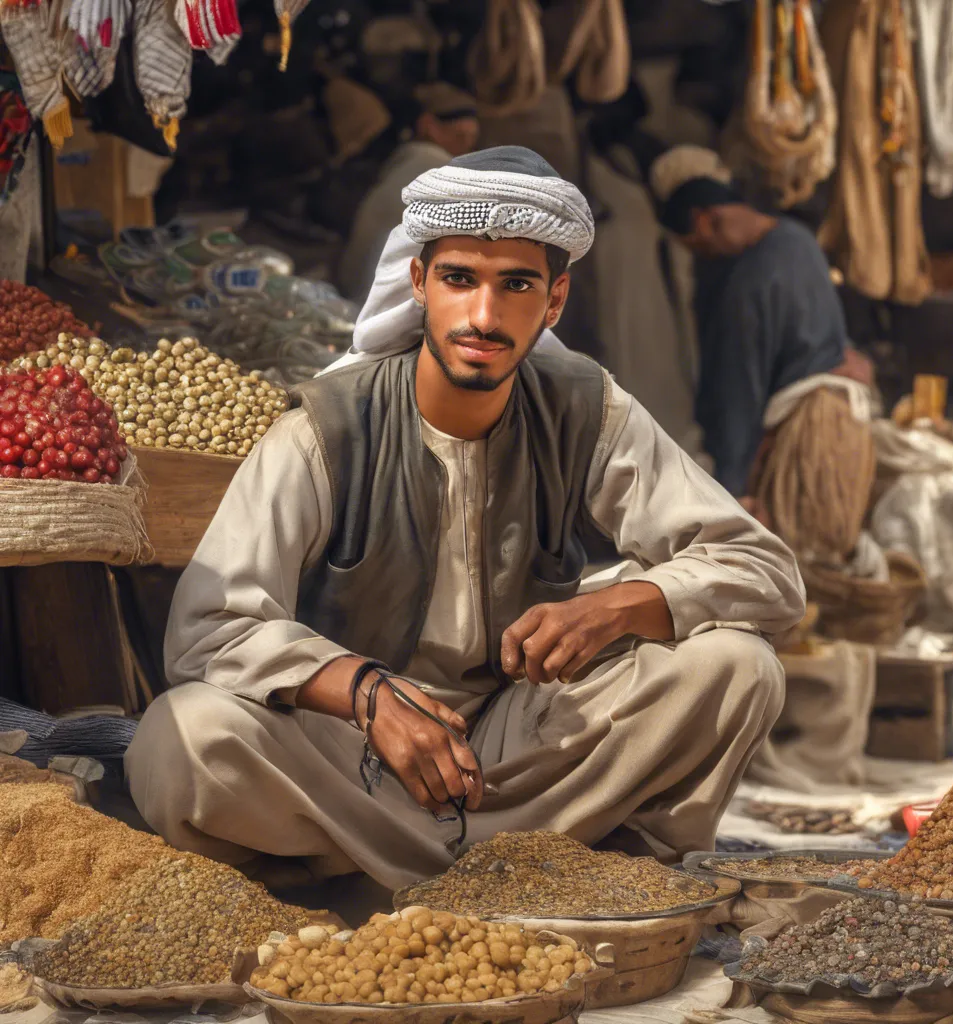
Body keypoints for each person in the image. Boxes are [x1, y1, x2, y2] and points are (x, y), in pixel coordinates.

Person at [126, 146, 805, 891]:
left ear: (555, 301)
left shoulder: (585, 407)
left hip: (527, 751)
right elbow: (208, 632)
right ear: (420, 283)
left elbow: (764, 572)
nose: (484, 315)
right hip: (356, 760)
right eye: (460, 279)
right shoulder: (327, 429)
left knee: (738, 668)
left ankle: (598, 882)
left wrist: (613, 611)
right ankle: (421, 873)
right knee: (181, 740)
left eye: (516, 285)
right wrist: (364, 691)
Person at [650, 145, 873, 499]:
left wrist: (733, 490)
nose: (703, 256)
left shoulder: (748, 286)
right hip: (842, 435)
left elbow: (740, 396)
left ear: (704, 220)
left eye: (698, 246)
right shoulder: (798, 239)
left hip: (795, 449)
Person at [338, 82, 481, 304]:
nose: (467, 148)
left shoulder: (411, 161)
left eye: (472, 140)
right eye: (461, 136)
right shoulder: (430, 162)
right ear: (428, 126)